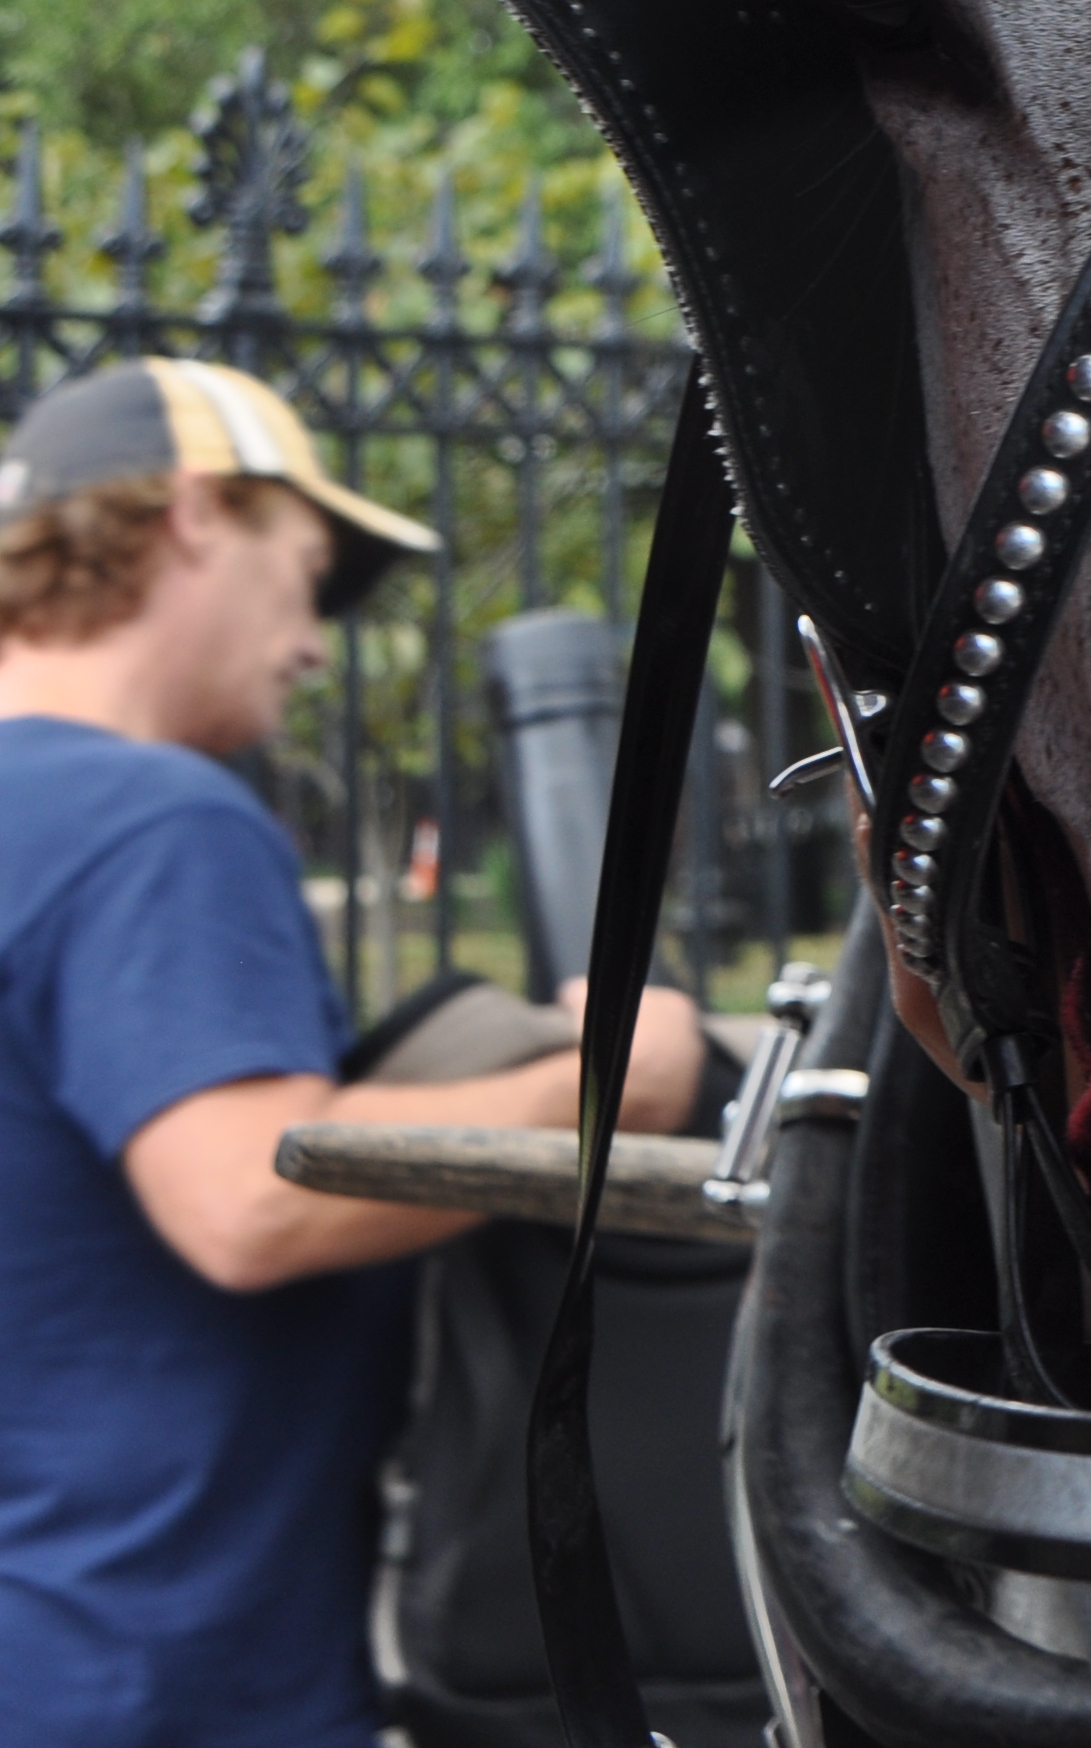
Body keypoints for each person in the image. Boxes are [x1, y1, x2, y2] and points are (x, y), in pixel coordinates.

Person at [0, 358, 703, 1748]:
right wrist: (618, 1078)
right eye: (306, 569)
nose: (317, 642)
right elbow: (249, 1203)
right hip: (152, 1670)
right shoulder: (149, 822)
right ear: (199, 515)